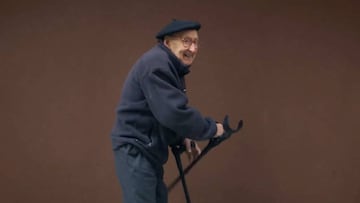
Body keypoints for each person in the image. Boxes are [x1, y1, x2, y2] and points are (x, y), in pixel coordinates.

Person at [110, 19, 224, 203]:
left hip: (146, 151)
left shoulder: (168, 66)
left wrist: (183, 138)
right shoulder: (157, 65)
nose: (193, 48)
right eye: (186, 41)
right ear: (168, 42)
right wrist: (212, 129)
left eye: (196, 42)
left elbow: (160, 114)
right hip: (136, 151)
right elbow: (174, 114)